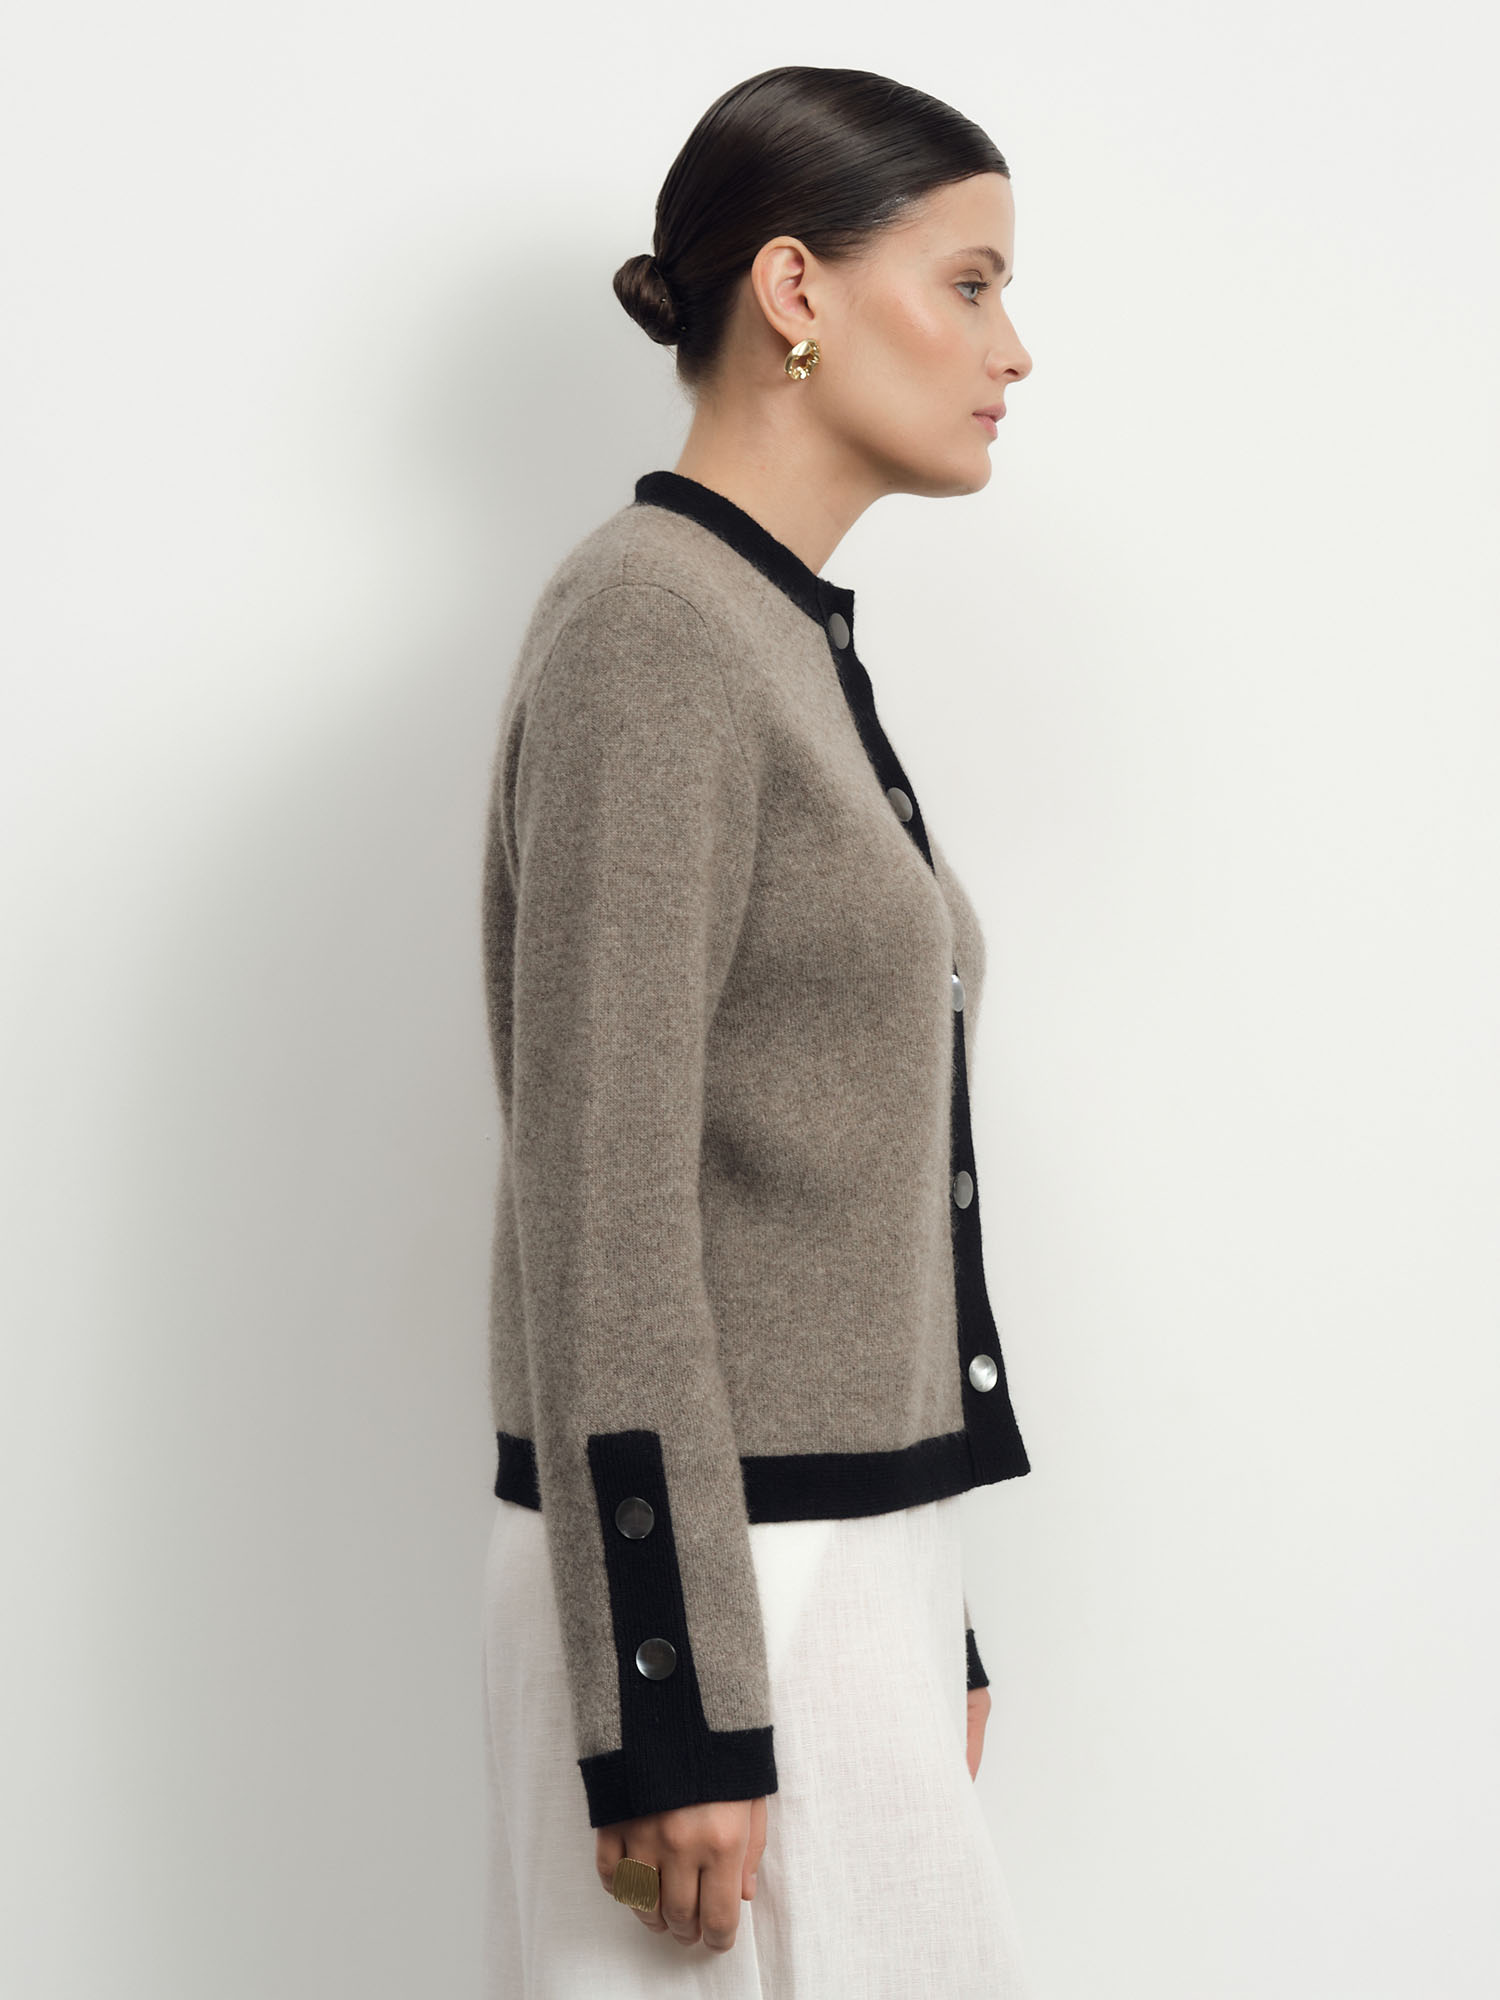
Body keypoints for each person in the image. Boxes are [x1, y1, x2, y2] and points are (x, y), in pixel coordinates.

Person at [478, 62, 1036, 1997]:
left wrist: (929, 1611)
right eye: (970, 284)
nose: (1014, 350)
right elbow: (604, 1195)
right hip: (713, 1593)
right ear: (796, 290)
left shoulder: (771, 629)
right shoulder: (655, 628)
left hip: (831, 1564)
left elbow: (800, 1180)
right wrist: (672, 1698)